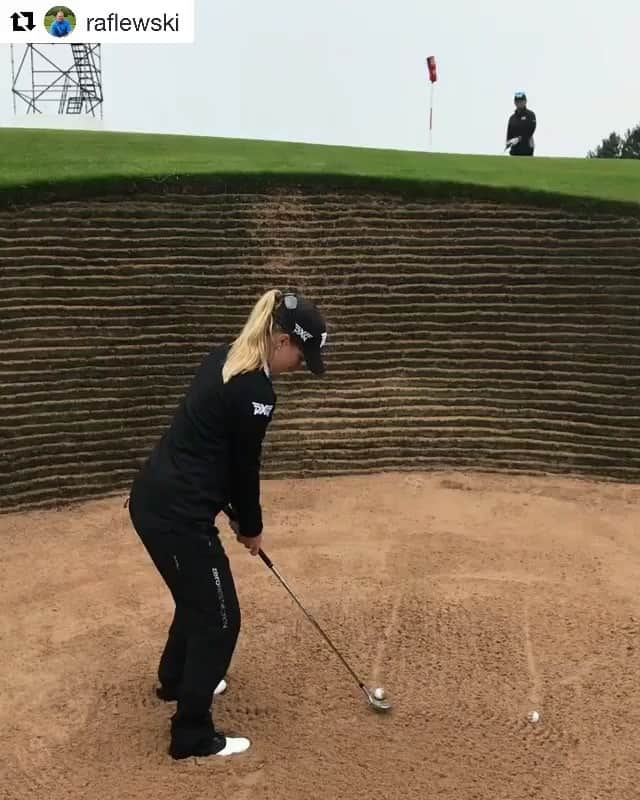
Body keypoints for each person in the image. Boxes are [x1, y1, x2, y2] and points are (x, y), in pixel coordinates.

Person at [127, 289, 328, 760]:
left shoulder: (224, 358)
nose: (301, 365)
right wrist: (251, 526)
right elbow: (243, 468)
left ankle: (176, 681)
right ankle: (191, 734)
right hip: (177, 517)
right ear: (281, 341)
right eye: (301, 355)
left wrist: (235, 514)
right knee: (220, 619)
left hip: (154, 502)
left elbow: (213, 453)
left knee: (196, 600)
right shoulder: (256, 392)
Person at [505, 91, 536, 156]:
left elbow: (531, 129)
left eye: (521, 101)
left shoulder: (530, 115)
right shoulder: (512, 118)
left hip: (527, 148)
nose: (519, 103)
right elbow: (509, 132)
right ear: (515, 103)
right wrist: (508, 142)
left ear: (525, 101)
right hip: (514, 149)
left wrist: (519, 138)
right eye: (517, 101)